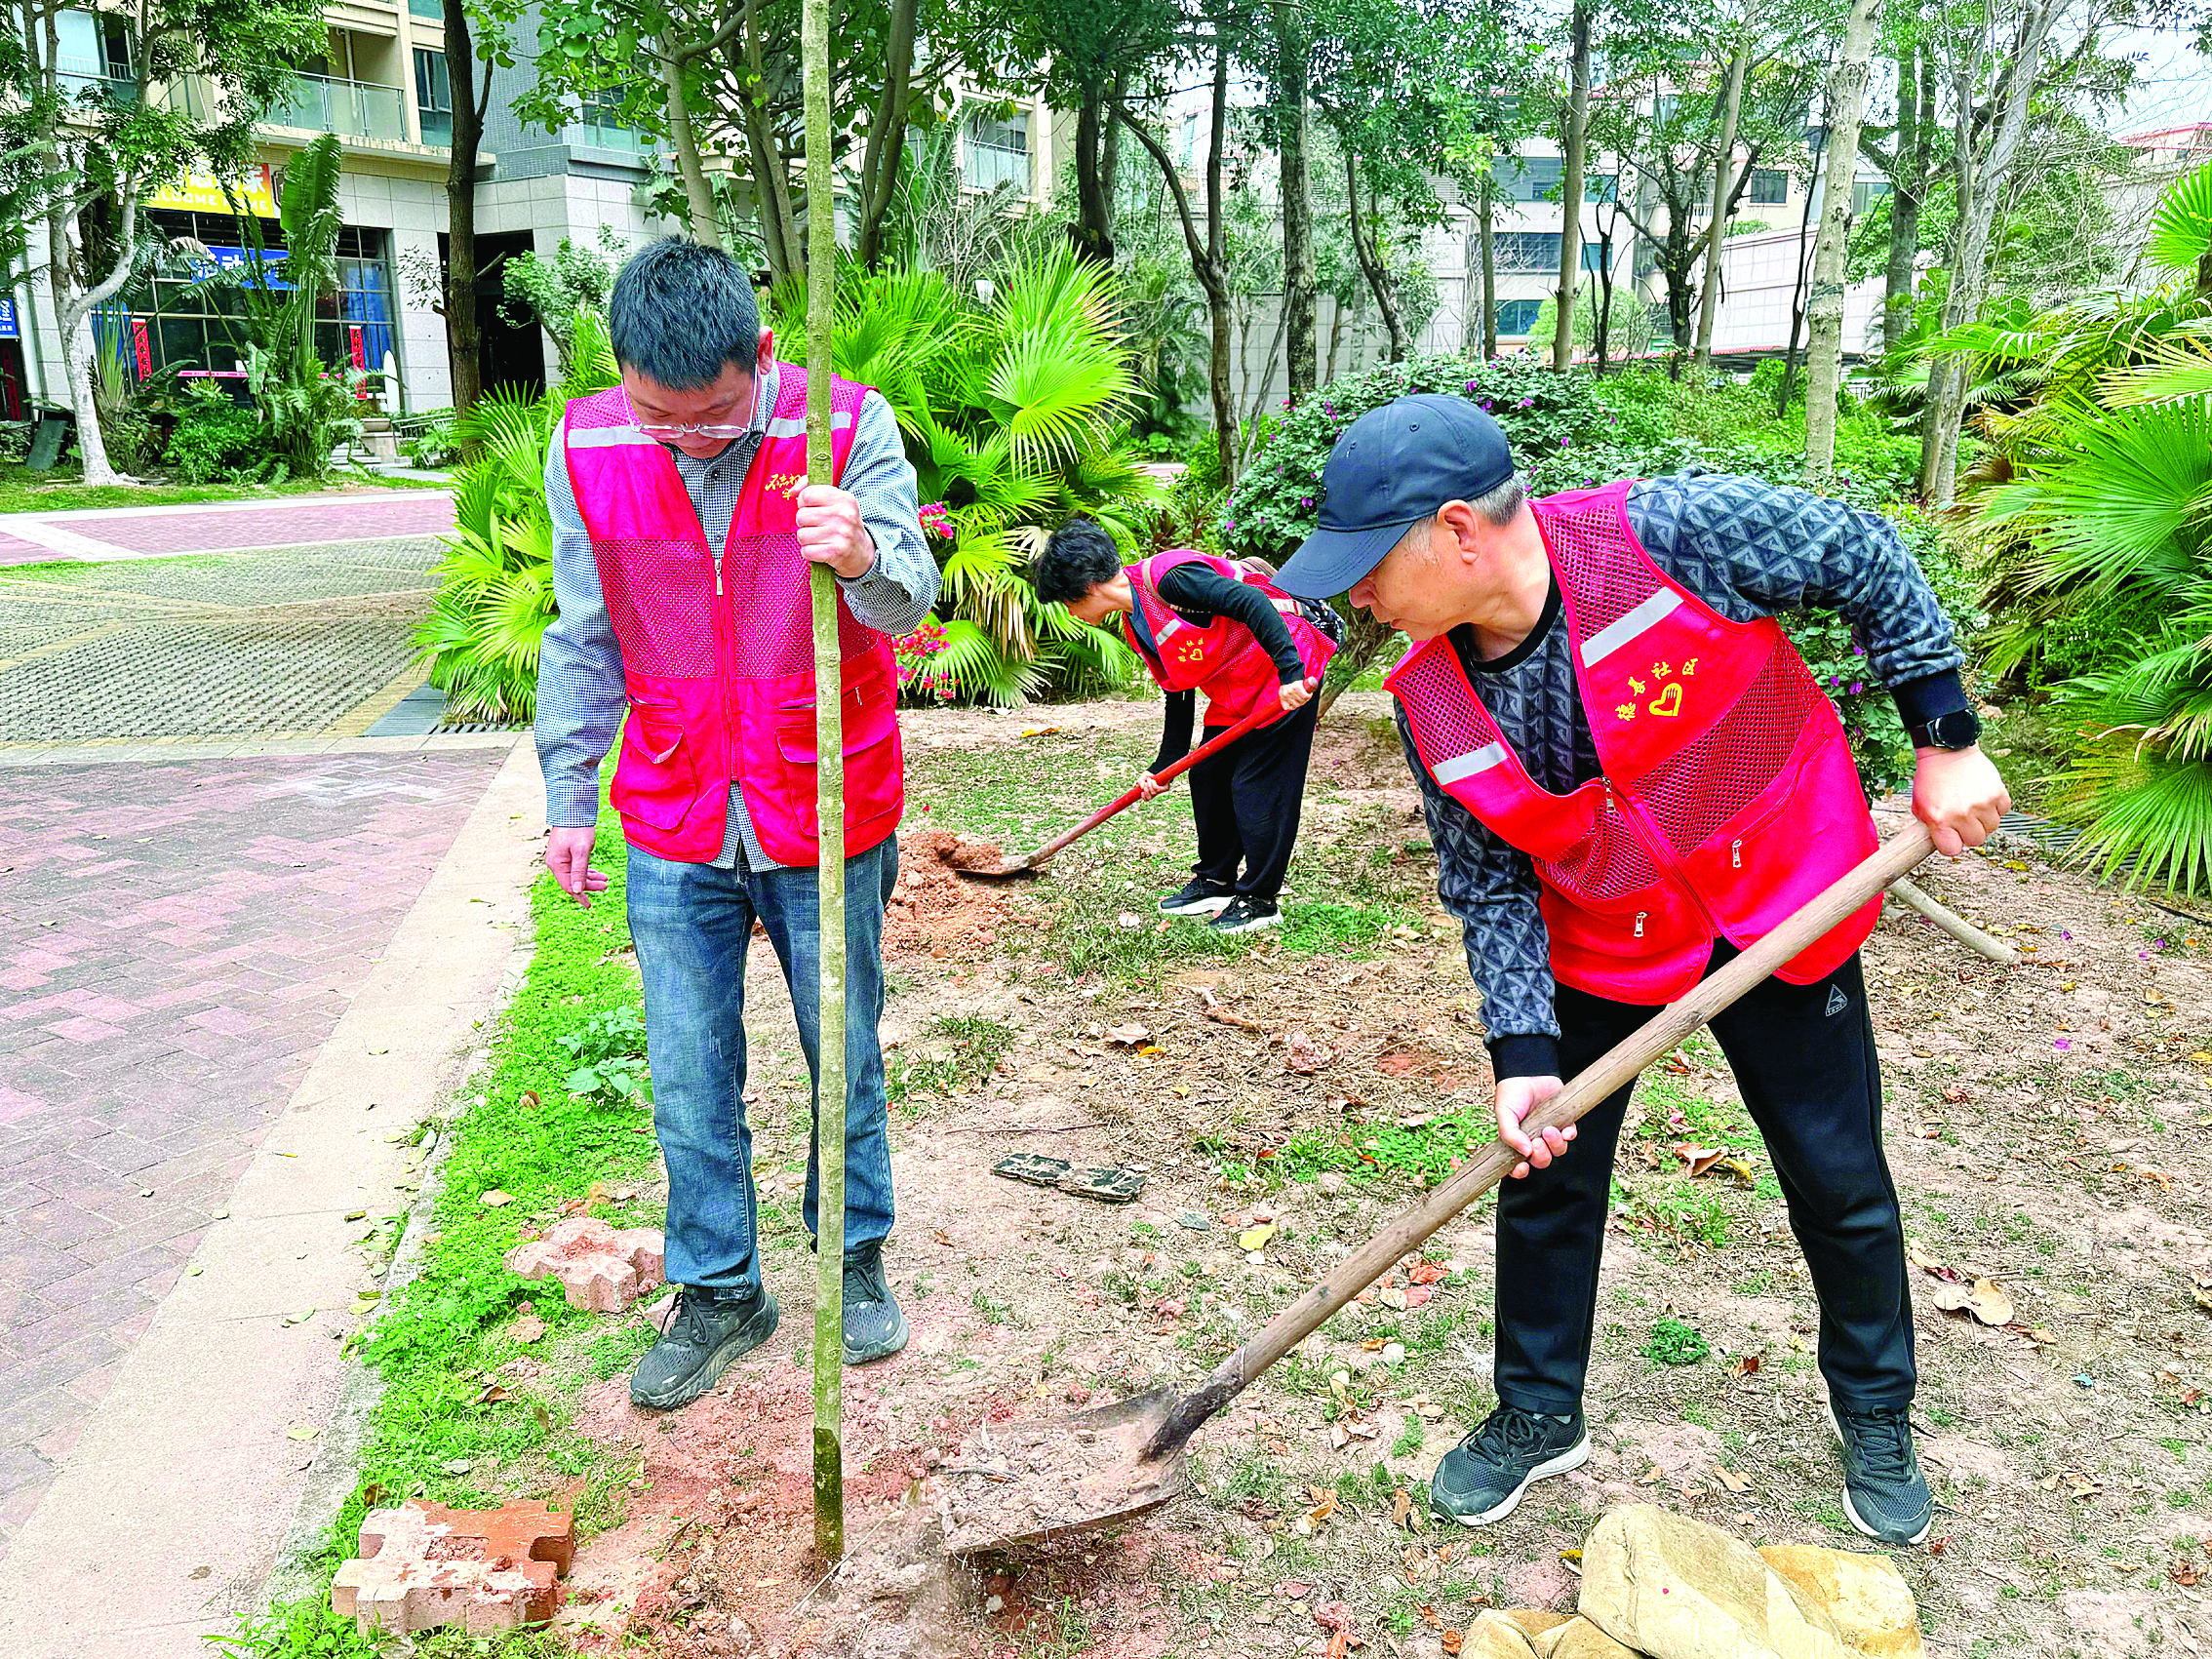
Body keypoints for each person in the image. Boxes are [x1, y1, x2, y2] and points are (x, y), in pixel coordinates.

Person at [1272, 394, 2009, 1547]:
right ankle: (1535, 1411)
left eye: (1370, 565)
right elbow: (1489, 885)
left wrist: (1943, 736)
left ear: (1456, 532)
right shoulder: (1429, 702)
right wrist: (1521, 1055)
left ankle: (1875, 1409)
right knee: (1548, 1180)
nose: (1355, 593)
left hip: (1784, 898)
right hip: (1605, 937)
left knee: (1835, 1172)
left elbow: (1863, 552)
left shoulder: (1668, 536)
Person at [535, 238, 939, 1411]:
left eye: (714, 419)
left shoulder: (843, 428)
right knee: (686, 1066)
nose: (690, 443)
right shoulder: (591, 443)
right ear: (623, 376)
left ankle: (853, 1255)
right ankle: (718, 1289)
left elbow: (908, 599)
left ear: (759, 361)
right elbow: (581, 631)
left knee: (842, 1042)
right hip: (673, 804)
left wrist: (860, 548)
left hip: (822, 796)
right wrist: (569, 792)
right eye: (665, 421)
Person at [1029, 518, 1339, 933]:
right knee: (1208, 775)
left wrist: (1290, 674)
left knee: (1257, 783)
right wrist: (1163, 767)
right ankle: (1216, 881)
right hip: (1239, 681)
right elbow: (1179, 690)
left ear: (1086, 587)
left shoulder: (1170, 579)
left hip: (1287, 660)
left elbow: (1252, 603)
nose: (1069, 612)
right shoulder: (1138, 622)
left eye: (1066, 602)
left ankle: (1261, 899)